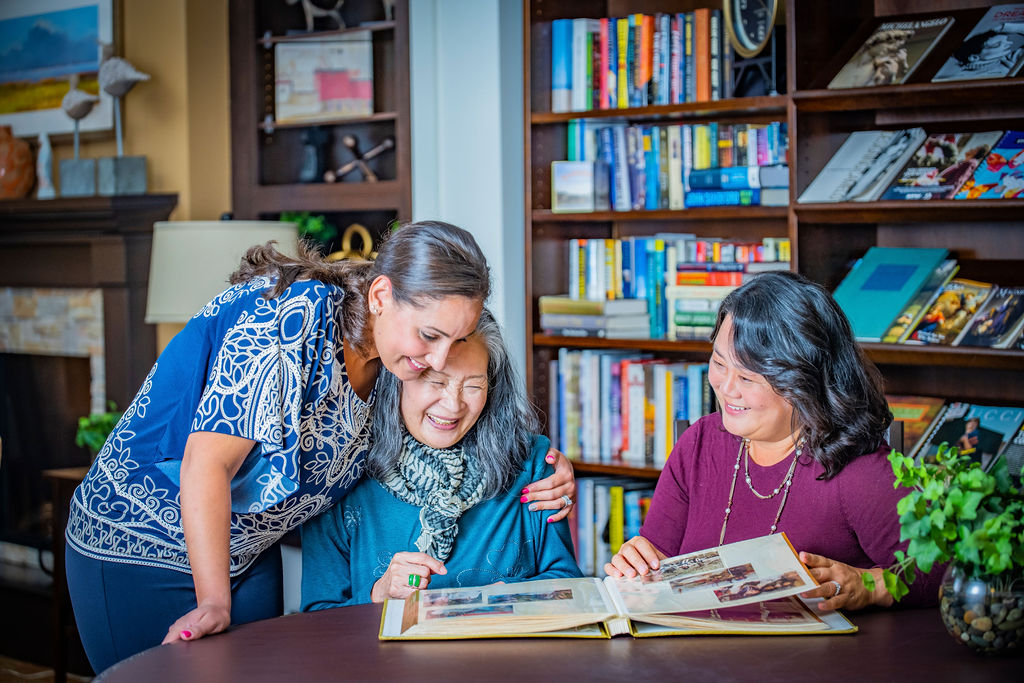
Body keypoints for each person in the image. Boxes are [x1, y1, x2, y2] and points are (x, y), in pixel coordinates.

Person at [64, 221, 576, 672]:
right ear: (380, 297)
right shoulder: (293, 318)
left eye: (456, 340)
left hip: (245, 547)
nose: (438, 359)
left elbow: (449, 430)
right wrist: (214, 601)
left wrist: (548, 466)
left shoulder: (395, 364)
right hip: (140, 540)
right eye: (430, 335)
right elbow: (206, 463)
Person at [604, 271, 944, 610]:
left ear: (804, 381)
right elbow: (657, 561)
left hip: (810, 662)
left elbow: (943, 575)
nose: (726, 388)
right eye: (719, 363)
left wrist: (869, 586)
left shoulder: (859, 470)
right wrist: (638, 567)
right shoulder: (700, 443)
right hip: (697, 654)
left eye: (748, 377)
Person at [301, 309, 581, 609]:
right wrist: (378, 595)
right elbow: (317, 617)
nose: (453, 405)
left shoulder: (532, 462)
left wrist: (496, 600)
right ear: (397, 378)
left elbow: (570, 588)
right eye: (435, 381)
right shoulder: (338, 470)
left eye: (473, 385)